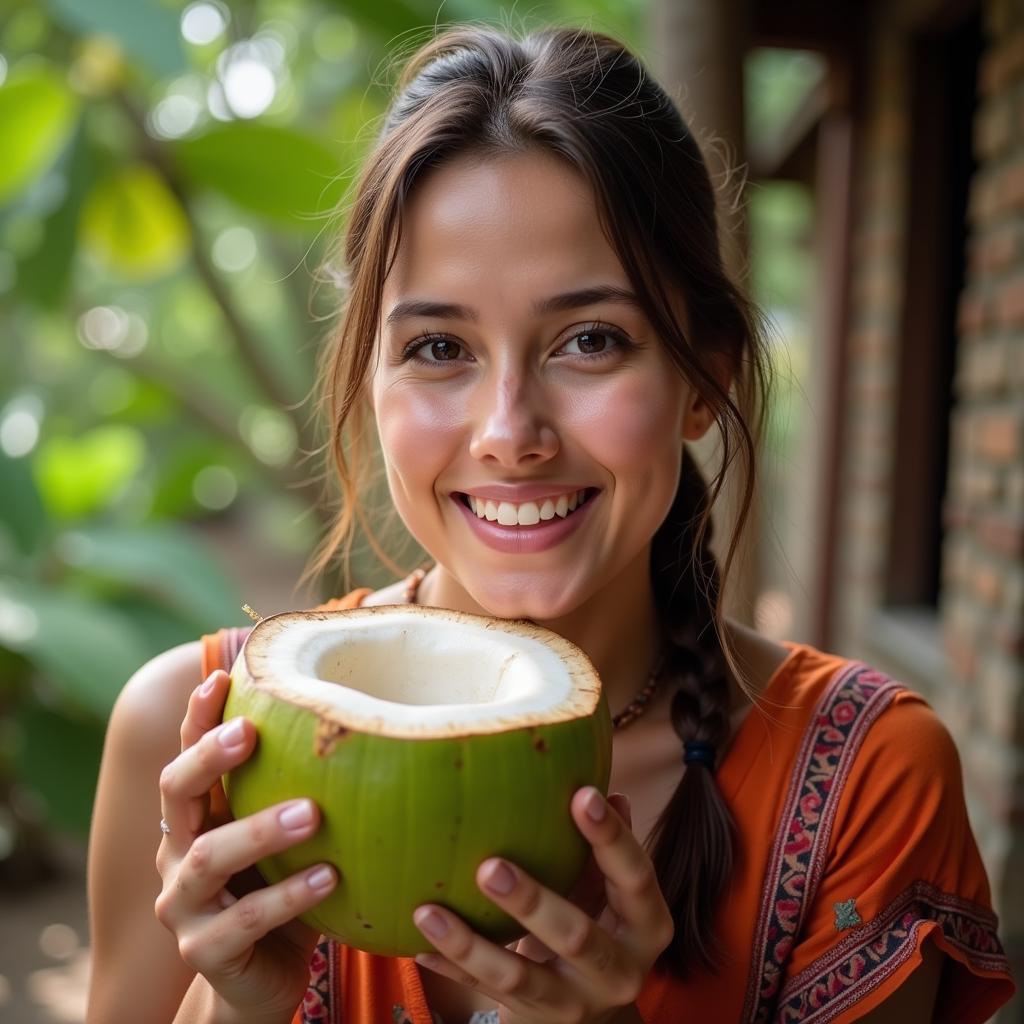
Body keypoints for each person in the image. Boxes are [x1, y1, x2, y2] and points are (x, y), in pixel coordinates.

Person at [86, 23, 1016, 1024]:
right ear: (368, 377)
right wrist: (240, 1009)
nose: (508, 431)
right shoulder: (191, 739)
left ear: (703, 380)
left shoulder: (866, 781)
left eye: (588, 339)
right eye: (439, 346)